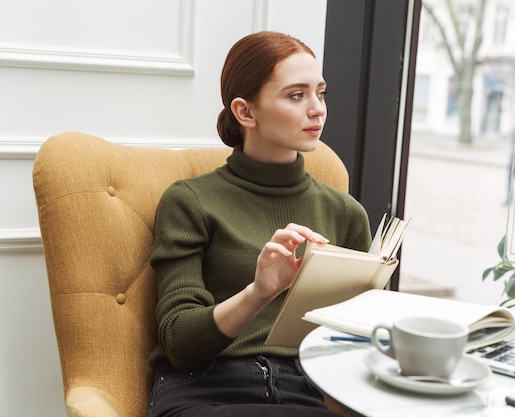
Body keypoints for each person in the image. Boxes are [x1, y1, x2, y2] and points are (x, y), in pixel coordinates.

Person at [147, 31, 372, 417]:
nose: (317, 109)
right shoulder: (190, 201)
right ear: (245, 112)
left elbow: (351, 343)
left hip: (305, 391)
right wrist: (259, 292)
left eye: (321, 92)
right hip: (204, 389)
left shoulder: (346, 213)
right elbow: (180, 344)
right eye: (296, 95)